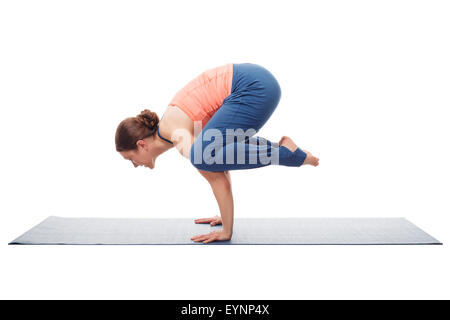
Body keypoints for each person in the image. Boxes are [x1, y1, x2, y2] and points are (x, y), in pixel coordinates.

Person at [115, 63, 319, 244]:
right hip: (258, 83)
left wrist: (226, 232)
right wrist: (225, 217)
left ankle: (286, 153)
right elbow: (218, 169)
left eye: (130, 158)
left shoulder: (176, 133)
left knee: (200, 157)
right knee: (205, 155)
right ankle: (283, 149)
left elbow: (214, 174)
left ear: (141, 144)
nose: (134, 164)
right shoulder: (180, 131)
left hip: (254, 87)